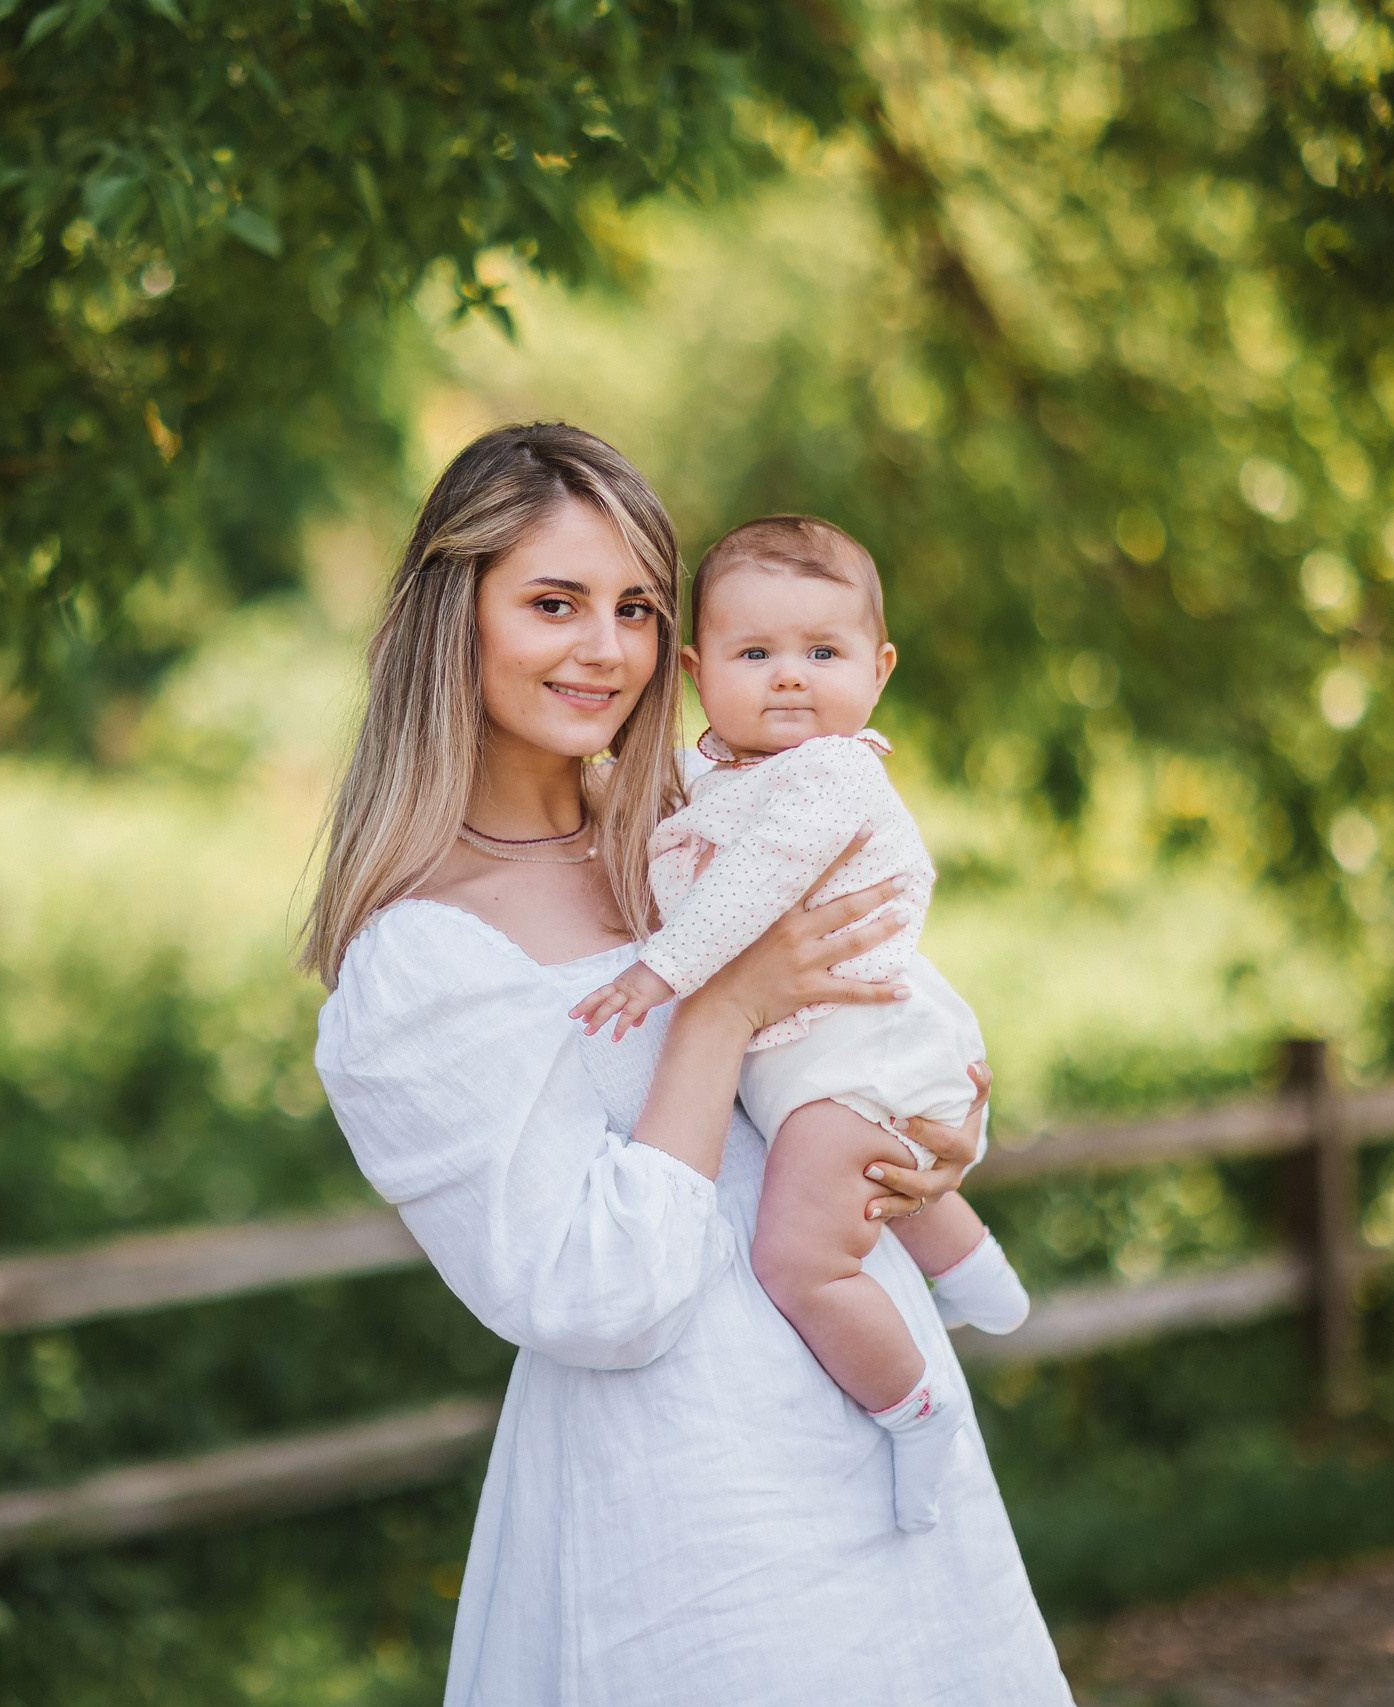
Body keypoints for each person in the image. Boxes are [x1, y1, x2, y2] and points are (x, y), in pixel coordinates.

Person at [304, 424, 1072, 1703]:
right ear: (457, 616)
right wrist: (715, 1015)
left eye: (638, 609)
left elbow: (869, 1017)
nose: (604, 649)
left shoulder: (694, 837)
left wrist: (935, 1135)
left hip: (887, 1454)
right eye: (553, 603)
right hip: (694, 1507)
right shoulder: (418, 964)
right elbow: (600, 1300)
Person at [569, 515, 1032, 1533]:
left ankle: (916, 1414)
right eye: (754, 654)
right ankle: (979, 1279)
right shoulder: (714, 777)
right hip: (818, 1058)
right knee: (862, 1176)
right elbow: (643, 810)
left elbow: (754, 881)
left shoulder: (831, 774)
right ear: (695, 670)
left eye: (822, 653)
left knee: (798, 1258)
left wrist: (661, 972)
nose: (789, 678)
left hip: (861, 1046)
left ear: (879, 668)